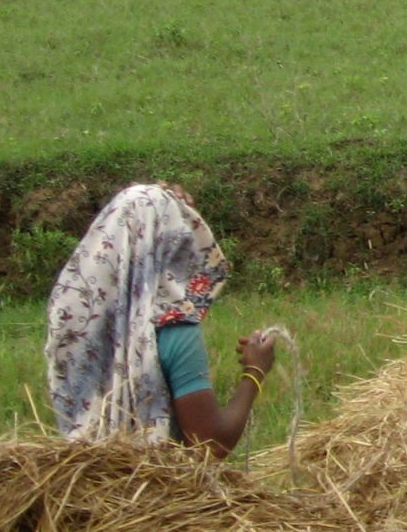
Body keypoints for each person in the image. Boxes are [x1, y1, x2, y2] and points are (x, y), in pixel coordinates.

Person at [45, 182, 276, 457]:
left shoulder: (73, 319)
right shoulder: (173, 328)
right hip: (152, 489)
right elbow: (211, 444)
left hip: (87, 483)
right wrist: (255, 372)